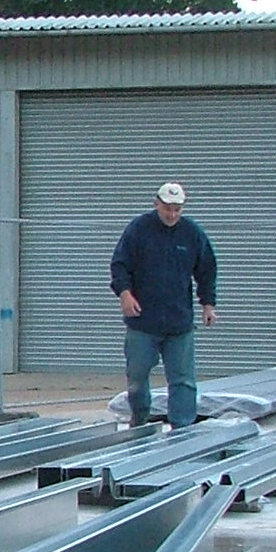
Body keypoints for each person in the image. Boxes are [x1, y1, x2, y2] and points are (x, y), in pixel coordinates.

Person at [110, 180, 218, 430]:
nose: (172, 214)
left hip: (178, 323)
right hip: (143, 322)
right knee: (137, 378)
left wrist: (208, 305)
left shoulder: (192, 234)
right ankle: (140, 422)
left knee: (183, 381)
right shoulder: (139, 230)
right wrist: (125, 295)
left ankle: (182, 429)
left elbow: (207, 270)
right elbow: (120, 265)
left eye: (177, 209)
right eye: (167, 208)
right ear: (156, 204)